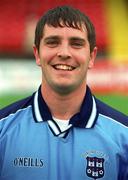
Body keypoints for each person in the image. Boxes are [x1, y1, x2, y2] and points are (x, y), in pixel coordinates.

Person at [0, 5, 128, 180]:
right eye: (53, 42)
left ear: (91, 56)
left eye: (76, 44)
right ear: (37, 53)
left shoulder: (124, 136)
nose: (64, 53)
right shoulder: (3, 129)